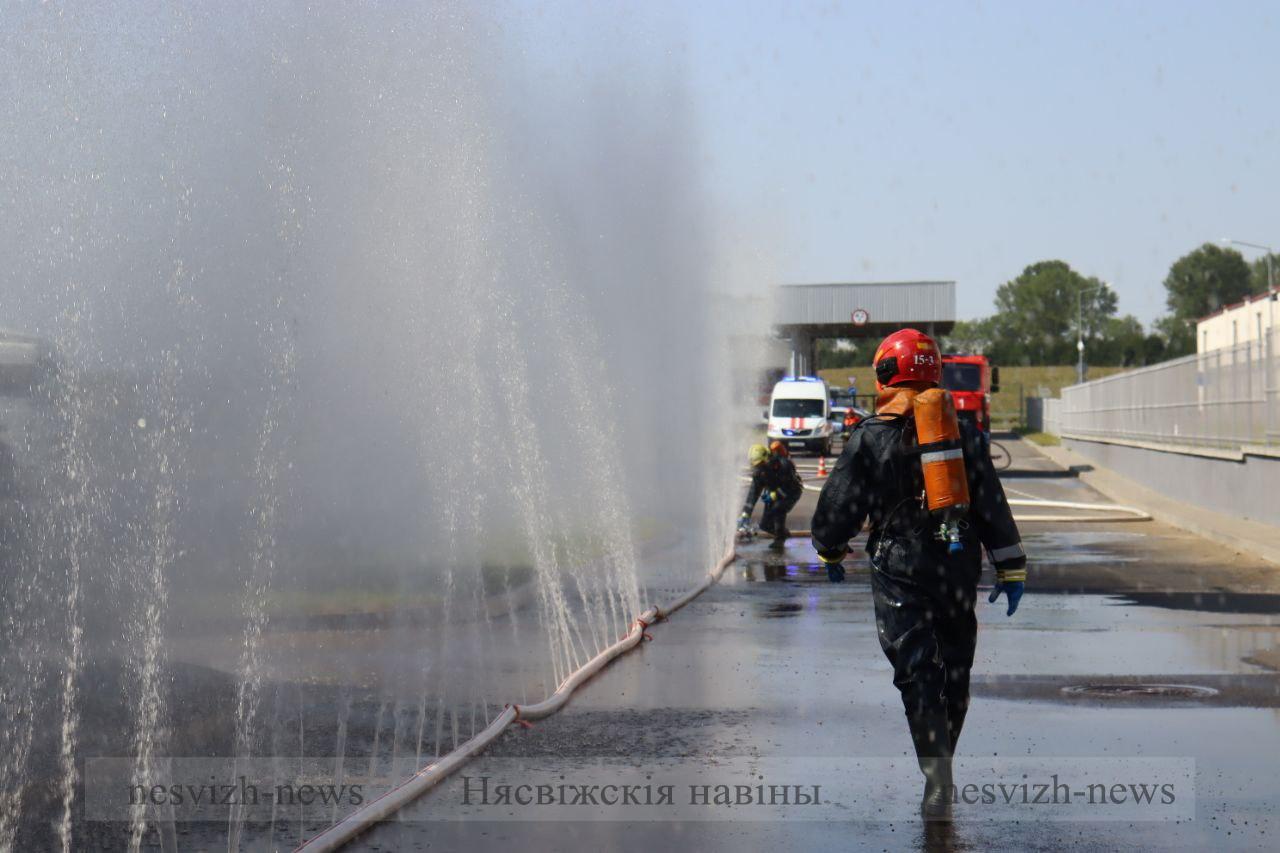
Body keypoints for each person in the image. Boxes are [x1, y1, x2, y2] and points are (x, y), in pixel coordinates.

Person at [810, 328, 1027, 820]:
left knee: (917, 671)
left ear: (885, 373)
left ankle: (936, 777)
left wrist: (830, 550)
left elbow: (840, 507)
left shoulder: (870, 436)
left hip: (900, 566)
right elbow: (991, 503)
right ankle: (944, 758)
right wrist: (1011, 566)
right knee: (955, 667)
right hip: (957, 563)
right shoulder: (964, 434)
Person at [739, 441, 804, 550]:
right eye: (756, 465)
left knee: (778, 509)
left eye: (760, 464)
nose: (758, 468)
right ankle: (783, 533)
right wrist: (746, 513)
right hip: (774, 494)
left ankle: (780, 539)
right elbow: (753, 493)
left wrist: (775, 495)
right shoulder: (759, 472)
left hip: (792, 492)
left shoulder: (783, 464)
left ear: (767, 458)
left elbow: (791, 486)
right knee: (765, 525)